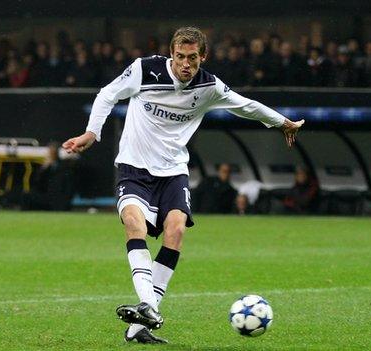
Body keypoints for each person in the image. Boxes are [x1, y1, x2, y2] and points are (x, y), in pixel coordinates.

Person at [62, 27, 304, 344]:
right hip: (134, 167)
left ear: (202, 57)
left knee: (176, 230)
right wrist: (92, 133)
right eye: (180, 57)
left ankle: (141, 322)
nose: (185, 64)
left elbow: (246, 105)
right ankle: (148, 304)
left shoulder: (209, 86)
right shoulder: (143, 70)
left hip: (173, 171)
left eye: (192, 58)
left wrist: (282, 122)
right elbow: (108, 94)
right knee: (134, 223)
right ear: (171, 53)